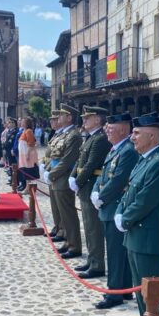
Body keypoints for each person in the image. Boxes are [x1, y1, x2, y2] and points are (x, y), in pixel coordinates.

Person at [115, 112, 159, 316]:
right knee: (141, 290)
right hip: (135, 235)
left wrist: (125, 218)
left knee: (154, 291)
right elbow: (129, 193)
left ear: (151, 135)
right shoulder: (143, 160)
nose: (133, 136)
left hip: (148, 237)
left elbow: (145, 201)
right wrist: (120, 213)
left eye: (137, 133)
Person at [90, 113, 139, 309]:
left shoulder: (127, 151)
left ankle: (114, 292)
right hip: (108, 206)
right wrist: (95, 191)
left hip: (115, 206)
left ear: (122, 129)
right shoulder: (115, 150)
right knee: (118, 251)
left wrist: (101, 197)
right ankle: (124, 288)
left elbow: (119, 180)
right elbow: (103, 176)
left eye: (110, 127)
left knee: (115, 252)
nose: (106, 130)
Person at [69, 106, 112, 279]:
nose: (84, 120)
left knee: (94, 228)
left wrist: (77, 182)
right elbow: (80, 161)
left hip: (91, 184)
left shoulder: (100, 138)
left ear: (97, 120)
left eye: (88, 117)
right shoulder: (90, 138)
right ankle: (91, 259)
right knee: (88, 225)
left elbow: (91, 164)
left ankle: (97, 265)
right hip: (84, 185)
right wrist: (73, 176)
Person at [47, 105, 83, 259]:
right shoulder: (64, 134)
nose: (57, 118)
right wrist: (47, 168)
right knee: (62, 213)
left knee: (68, 214)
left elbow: (67, 160)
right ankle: (68, 242)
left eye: (61, 115)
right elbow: (53, 155)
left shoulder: (74, 135)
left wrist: (51, 173)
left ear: (69, 118)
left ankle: (74, 245)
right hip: (57, 177)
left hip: (63, 177)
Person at [17, 117, 40, 184]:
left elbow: (31, 144)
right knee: (25, 170)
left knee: (28, 171)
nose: (22, 123)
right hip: (23, 154)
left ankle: (28, 188)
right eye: (22, 122)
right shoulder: (24, 131)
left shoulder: (29, 131)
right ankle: (27, 187)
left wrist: (27, 154)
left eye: (24, 122)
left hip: (27, 154)